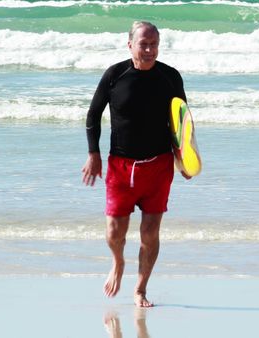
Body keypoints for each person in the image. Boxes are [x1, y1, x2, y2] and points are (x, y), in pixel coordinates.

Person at [82, 21, 190, 307]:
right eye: (144, 44)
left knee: (150, 232)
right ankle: (118, 261)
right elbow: (93, 116)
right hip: (120, 167)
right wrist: (93, 154)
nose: (149, 49)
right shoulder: (115, 75)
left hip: (158, 165)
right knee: (114, 232)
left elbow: (182, 123)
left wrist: (186, 159)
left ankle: (140, 289)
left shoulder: (170, 77)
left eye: (154, 44)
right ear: (129, 44)